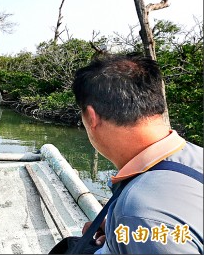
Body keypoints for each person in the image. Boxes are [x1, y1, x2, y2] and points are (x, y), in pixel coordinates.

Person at [70, 53, 203, 254]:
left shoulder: (139, 212)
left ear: (91, 117)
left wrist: (132, 223)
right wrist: (120, 234)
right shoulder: (193, 156)